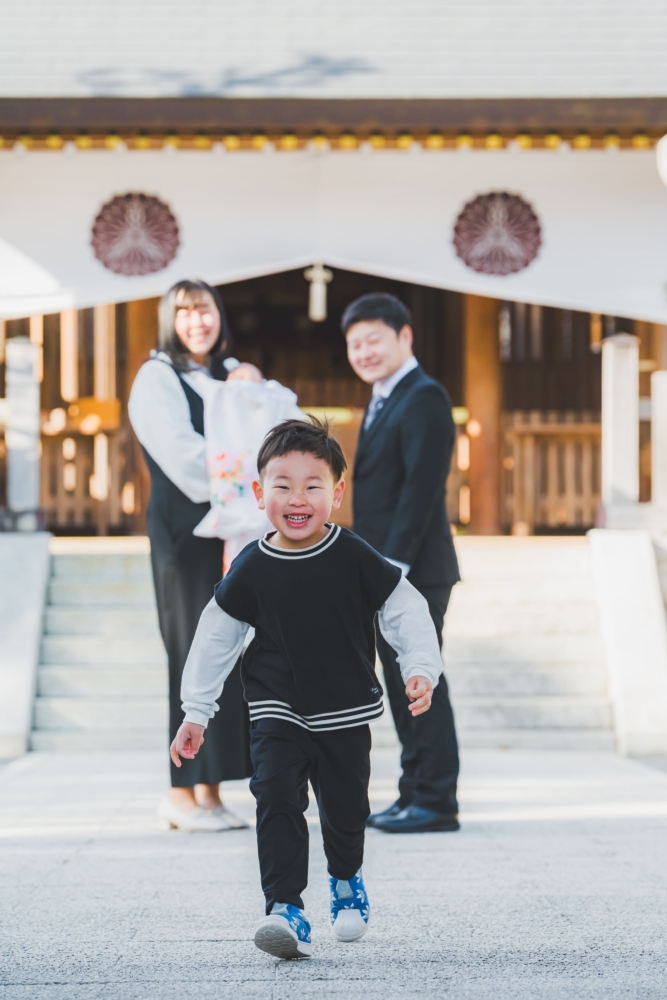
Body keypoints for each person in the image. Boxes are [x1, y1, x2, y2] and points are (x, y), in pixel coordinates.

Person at [170, 418, 444, 959]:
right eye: (283, 485)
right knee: (274, 798)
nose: (298, 498)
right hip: (276, 707)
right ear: (258, 493)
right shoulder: (251, 566)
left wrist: (420, 667)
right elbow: (215, 637)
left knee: (345, 809)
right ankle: (285, 908)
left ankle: (346, 880)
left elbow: (405, 609)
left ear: (337, 493)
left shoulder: (354, 555)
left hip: (344, 710)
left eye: (313, 485)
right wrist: (196, 711)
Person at [128, 279, 252, 833]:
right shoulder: (157, 377)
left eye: (204, 309)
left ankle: (212, 788)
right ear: (168, 321)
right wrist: (248, 477)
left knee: (224, 657)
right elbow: (184, 457)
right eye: (184, 312)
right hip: (187, 535)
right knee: (189, 654)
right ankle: (181, 791)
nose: (197, 320)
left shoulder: (227, 373)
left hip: (231, 530)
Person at [343, 292, 461, 834]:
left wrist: (390, 568)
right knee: (399, 682)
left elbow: (420, 489)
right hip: (389, 571)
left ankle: (436, 800)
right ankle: (414, 790)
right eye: (355, 344)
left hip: (413, 570)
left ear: (404, 337)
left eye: (374, 340)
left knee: (419, 678)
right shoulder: (384, 397)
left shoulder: (424, 397)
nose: (364, 352)